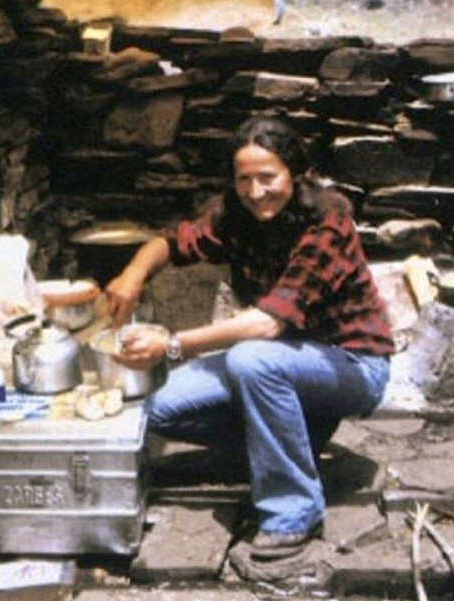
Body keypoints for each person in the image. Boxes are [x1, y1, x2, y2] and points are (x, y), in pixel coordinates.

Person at [105, 116, 394, 562]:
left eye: (268, 177)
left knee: (251, 360)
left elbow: (268, 324)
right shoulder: (236, 214)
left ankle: (293, 512)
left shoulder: (327, 220)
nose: (256, 192)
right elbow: (172, 242)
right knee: (157, 406)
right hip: (281, 358)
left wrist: (172, 345)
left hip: (352, 365)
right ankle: (283, 444)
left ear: (295, 174)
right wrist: (132, 274)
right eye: (245, 179)